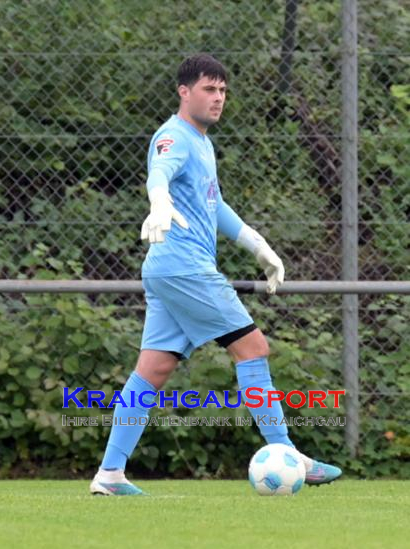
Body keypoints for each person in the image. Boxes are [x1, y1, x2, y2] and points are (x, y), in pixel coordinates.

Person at [90, 53, 342, 495]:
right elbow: (159, 173)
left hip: (169, 270)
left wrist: (259, 246)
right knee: (253, 347)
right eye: (209, 89)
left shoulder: (202, 142)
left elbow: (215, 206)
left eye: (223, 90)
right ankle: (288, 453)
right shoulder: (175, 136)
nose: (218, 97)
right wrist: (159, 202)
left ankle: (109, 474)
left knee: (152, 370)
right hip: (184, 267)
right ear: (184, 92)